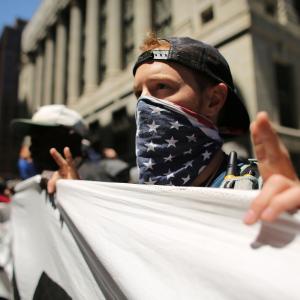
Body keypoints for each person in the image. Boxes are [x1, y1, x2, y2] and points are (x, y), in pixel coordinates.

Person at [48, 35, 299, 221]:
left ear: (213, 100)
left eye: (162, 87)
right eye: (139, 94)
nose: (145, 104)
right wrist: (74, 193)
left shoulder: (257, 189)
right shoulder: (131, 200)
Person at [11, 105, 130, 184]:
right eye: (32, 139)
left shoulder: (113, 173)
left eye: (42, 138)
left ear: (72, 138)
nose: (32, 148)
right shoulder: (35, 188)